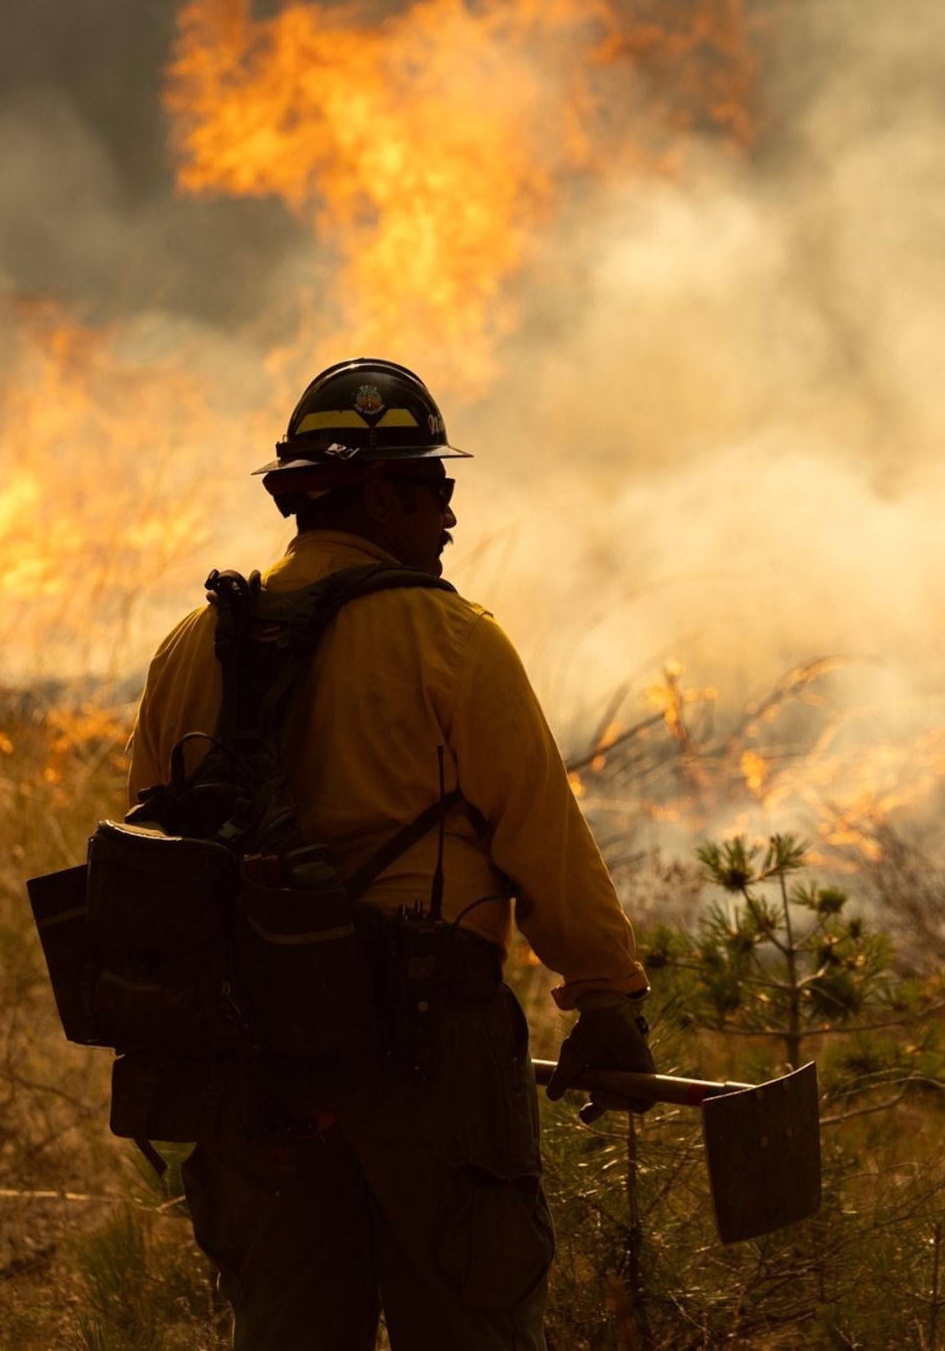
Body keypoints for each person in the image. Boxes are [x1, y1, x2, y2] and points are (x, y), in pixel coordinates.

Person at [124, 356, 654, 1349]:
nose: (451, 517)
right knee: (470, 1317)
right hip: (428, 1048)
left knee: (286, 1326)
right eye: (435, 489)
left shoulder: (191, 647)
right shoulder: (454, 640)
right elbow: (545, 839)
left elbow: (151, 853)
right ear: (378, 493)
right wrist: (607, 998)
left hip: (252, 1059)